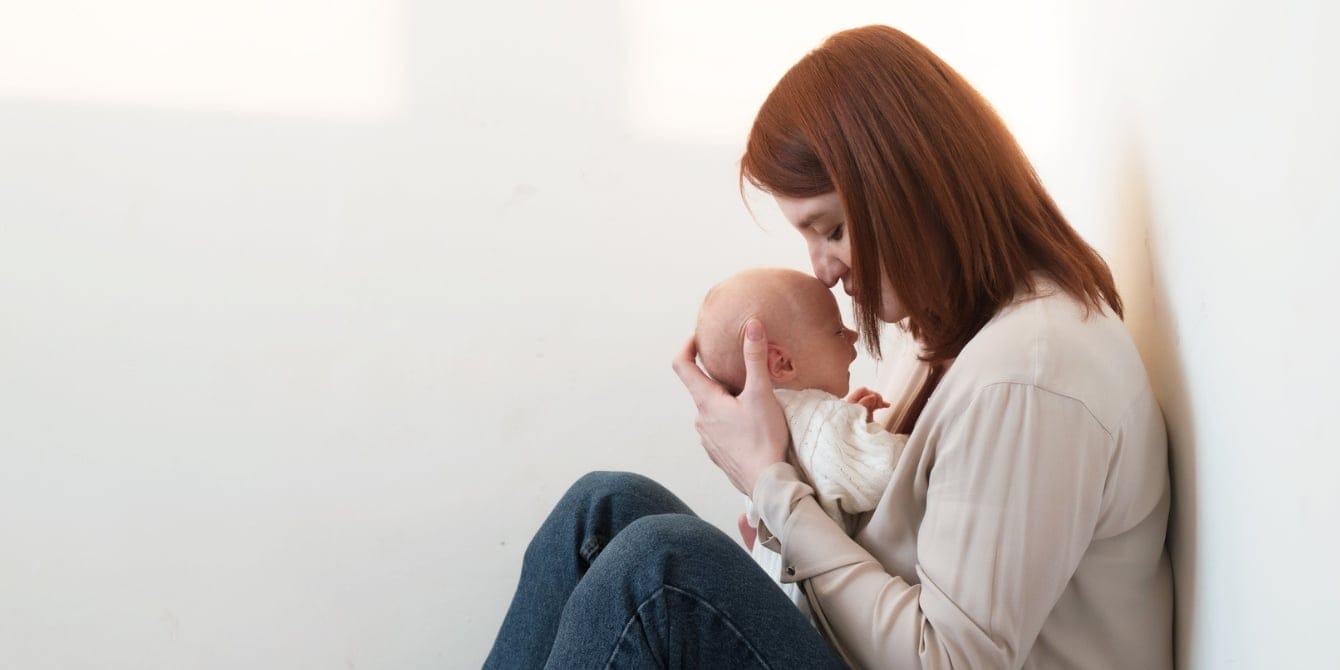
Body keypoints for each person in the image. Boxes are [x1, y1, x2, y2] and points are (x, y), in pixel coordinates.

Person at [484, 24, 1172, 669]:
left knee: (658, 569)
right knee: (602, 509)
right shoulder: (945, 338)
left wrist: (771, 483)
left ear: (914, 192)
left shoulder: (1030, 374)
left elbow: (950, 660)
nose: (822, 268)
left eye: (834, 230)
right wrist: (785, 488)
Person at [694, 267, 904, 620]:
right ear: (782, 362)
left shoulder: (758, 421)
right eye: (838, 330)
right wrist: (878, 437)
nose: (852, 335)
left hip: (775, 600)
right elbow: (891, 472)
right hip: (815, 625)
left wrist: (850, 423)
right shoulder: (822, 422)